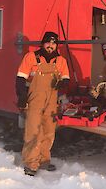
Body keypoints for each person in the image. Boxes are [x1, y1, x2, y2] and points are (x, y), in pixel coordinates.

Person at [15, 31, 70, 176]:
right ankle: (31, 163)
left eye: (54, 43)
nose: (51, 45)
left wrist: (63, 83)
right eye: (48, 42)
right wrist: (21, 96)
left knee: (49, 131)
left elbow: (66, 78)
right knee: (33, 131)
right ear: (42, 43)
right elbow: (20, 78)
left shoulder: (61, 61)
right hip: (34, 99)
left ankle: (44, 160)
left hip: (52, 101)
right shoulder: (31, 57)